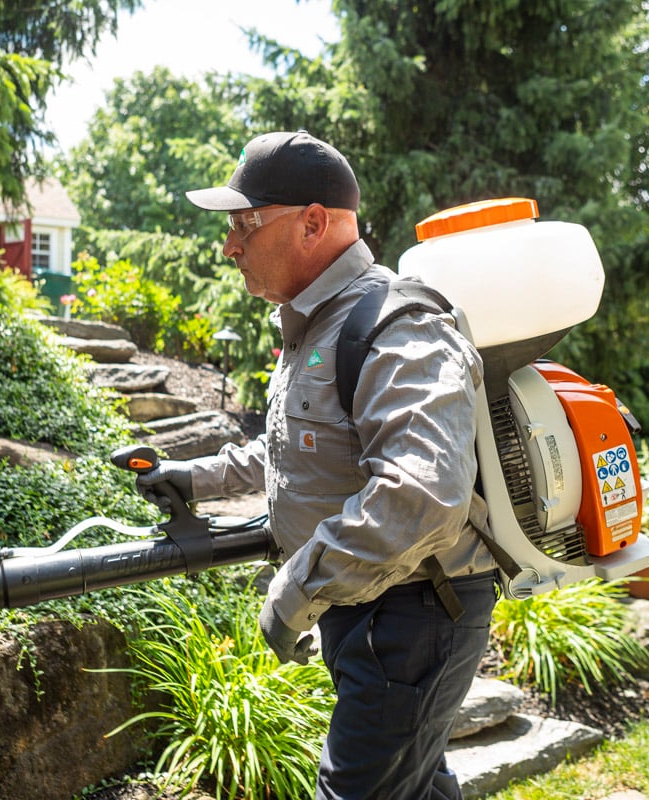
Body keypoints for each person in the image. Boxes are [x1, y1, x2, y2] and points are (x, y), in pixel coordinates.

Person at [135, 130, 498, 800]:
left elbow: (422, 494)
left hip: (416, 613)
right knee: (415, 783)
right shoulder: (317, 326)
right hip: (372, 607)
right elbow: (302, 451)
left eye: (245, 223)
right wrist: (196, 478)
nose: (229, 245)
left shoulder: (396, 324)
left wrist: (299, 585)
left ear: (312, 222)